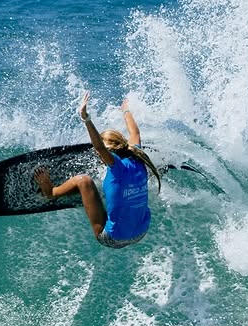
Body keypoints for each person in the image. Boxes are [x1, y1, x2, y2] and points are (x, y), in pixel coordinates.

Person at [34, 91, 161, 248]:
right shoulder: (138, 156)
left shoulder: (117, 168)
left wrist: (86, 118)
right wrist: (126, 110)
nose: (99, 156)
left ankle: (51, 192)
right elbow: (135, 133)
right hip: (141, 232)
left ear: (110, 153)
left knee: (84, 180)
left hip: (113, 238)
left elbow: (100, 147)